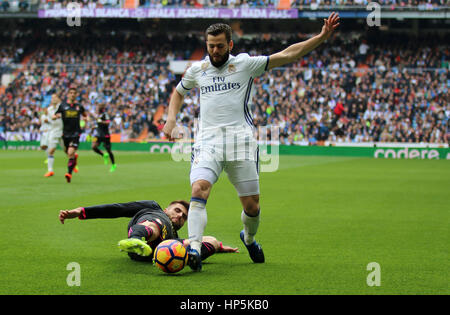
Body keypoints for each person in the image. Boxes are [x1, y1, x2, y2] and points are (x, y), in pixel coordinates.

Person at [162, 13, 340, 271]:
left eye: (220, 45)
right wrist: (170, 120)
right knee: (199, 189)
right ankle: (195, 248)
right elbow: (178, 92)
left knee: (252, 206)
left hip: (241, 144)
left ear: (230, 45)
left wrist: (321, 37)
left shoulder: (246, 64)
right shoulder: (197, 70)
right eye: (211, 45)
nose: (215, 50)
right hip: (207, 143)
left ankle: (249, 238)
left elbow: (288, 55)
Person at [59, 199, 238, 263]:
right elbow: (119, 208)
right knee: (155, 226)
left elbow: (204, 240)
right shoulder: (155, 209)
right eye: (176, 211)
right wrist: (82, 212)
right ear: (167, 208)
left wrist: (217, 247)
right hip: (148, 225)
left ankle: (192, 257)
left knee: (212, 240)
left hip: (162, 249)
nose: (179, 217)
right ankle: (136, 240)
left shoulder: (174, 236)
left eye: (183, 217)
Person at [53, 87, 87, 183]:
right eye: (71, 93)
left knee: (70, 152)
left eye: (74, 93)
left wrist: (85, 119)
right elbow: (55, 114)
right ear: (68, 94)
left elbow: (85, 115)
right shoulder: (63, 106)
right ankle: (74, 159)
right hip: (66, 134)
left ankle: (69, 174)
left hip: (76, 133)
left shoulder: (79, 106)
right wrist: (55, 116)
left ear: (76, 95)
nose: (72, 94)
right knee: (68, 153)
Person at [91, 103, 116, 172]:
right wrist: (95, 127)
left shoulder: (105, 114)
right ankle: (104, 155)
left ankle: (113, 164)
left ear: (100, 108)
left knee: (108, 150)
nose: (96, 109)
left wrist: (101, 121)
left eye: (97, 107)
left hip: (105, 135)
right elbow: (99, 125)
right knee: (93, 147)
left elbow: (108, 122)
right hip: (98, 134)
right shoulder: (98, 115)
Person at [44, 93, 63, 177]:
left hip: (63, 131)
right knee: (51, 151)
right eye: (52, 98)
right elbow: (51, 119)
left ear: (58, 99)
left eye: (55, 97)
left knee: (68, 151)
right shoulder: (49, 109)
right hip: (54, 131)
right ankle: (50, 170)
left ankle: (73, 162)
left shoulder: (63, 107)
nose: (53, 99)